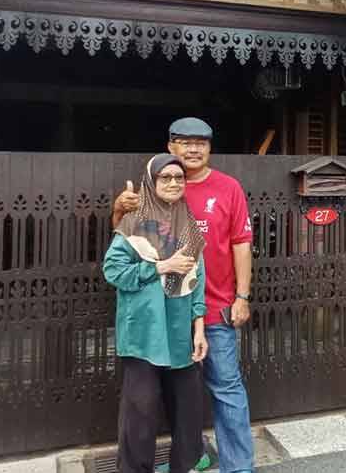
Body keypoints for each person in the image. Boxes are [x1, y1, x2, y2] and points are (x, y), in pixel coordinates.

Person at [113, 118, 255, 473]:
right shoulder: (156, 187)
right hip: (161, 317)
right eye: (184, 142)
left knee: (224, 388)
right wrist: (118, 208)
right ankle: (187, 458)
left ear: (210, 147)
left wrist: (242, 295)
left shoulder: (228, 188)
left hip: (213, 309)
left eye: (201, 142)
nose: (193, 149)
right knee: (166, 399)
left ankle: (237, 466)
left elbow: (241, 243)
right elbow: (122, 244)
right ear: (170, 147)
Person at [104, 154, 209, 473]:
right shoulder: (132, 224)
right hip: (144, 333)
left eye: (179, 178)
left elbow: (198, 279)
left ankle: (185, 466)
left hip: (180, 331)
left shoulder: (188, 224)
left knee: (188, 410)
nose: (174, 183)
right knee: (141, 412)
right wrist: (161, 266)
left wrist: (199, 326)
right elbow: (113, 271)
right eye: (166, 178)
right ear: (152, 182)